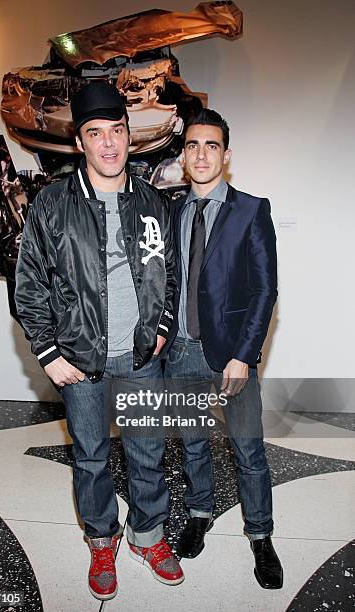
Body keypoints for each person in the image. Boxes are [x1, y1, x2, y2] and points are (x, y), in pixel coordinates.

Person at [15, 81, 184, 601]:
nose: (109, 143)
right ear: (80, 143)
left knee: (148, 450)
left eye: (117, 131)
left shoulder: (152, 200)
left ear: (129, 137)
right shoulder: (52, 204)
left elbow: (170, 272)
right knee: (89, 455)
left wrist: (160, 329)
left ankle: (148, 534)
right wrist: (48, 353)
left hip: (140, 357)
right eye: (96, 133)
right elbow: (28, 283)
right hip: (80, 359)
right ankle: (101, 537)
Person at [164, 109, 283, 589]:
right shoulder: (172, 211)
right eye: (193, 145)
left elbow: (264, 291)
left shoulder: (252, 210)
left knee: (247, 449)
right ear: (183, 153)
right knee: (192, 442)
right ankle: (198, 512)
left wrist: (244, 355)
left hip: (232, 354)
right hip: (180, 351)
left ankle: (260, 534)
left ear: (226, 155)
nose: (201, 154)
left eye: (211, 145)